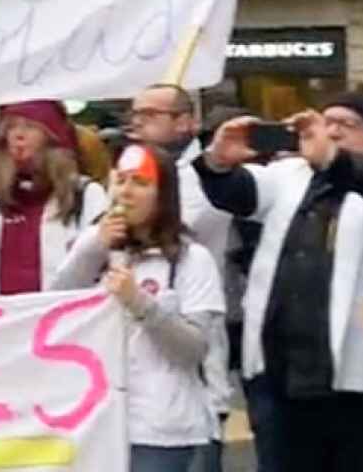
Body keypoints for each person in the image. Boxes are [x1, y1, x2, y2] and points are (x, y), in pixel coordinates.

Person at [193, 97, 363, 472]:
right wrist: (219, 162)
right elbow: (238, 192)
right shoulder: (291, 174)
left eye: (348, 124)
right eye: (326, 122)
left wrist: (334, 161)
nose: (333, 131)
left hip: (356, 381)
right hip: (278, 375)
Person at [51, 145, 226, 472]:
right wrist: (92, 248)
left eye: (141, 183)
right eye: (121, 180)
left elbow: (194, 349)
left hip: (160, 431)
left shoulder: (191, 259)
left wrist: (141, 304)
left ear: (163, 195)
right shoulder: (94, 247)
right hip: (98, 422)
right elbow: (55, 311)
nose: (126, 192)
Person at [128, 84, 235, 470]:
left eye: (150, 115)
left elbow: (177, 219)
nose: (137, 122)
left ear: (186, 122)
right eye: (135, 114)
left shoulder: (205, 179)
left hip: (188, 391)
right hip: (125, 400)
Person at [0, 100, 110, 299]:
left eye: (30, 127)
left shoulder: (86, 195)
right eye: (11, 126)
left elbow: (104, 267)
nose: (18, 135)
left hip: (61, 322)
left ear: (52, 137)